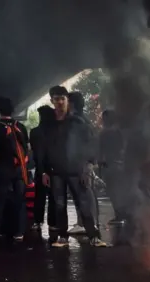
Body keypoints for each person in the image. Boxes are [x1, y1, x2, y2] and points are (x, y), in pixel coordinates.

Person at [41, 86, 106, 248]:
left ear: (67, 101)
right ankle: (62, 237)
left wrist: (89, 166)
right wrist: (43, 170)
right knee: (59, 205)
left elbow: (91, 144)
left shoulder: (78, 122)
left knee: (85, 203)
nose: (60, 102)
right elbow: (44, 148)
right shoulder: (49, 125)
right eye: (56, 99)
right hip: (55, 172)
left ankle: (94, 236)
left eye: (63, 98)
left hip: (77, 170)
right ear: (52, 101)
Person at [0, 96, 29, 243]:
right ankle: (19, 232)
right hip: (20, 170)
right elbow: (27, 148)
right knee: (20, 200)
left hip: (4, 168)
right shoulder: (20, 126)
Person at [68, 91, 100, 234]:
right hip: (84, 162)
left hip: (81, 163)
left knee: (84, 192)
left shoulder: (77, 121)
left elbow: (85, 144)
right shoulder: (84, 119)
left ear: (72, 103)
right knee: (86, 192)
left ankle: (87, 224)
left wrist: (87, 164)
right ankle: (88, 223)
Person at [30, 106, 57, 231]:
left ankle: (37, 221)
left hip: (41, 169)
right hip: (55, 169)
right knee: (54, 197)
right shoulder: (57, 130)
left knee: (39, 196)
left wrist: (41, 172)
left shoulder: (35, 132)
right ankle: (53, 223)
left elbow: (37, 154)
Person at [99, 110, 128, 224]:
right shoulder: (120, 132)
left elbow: (100, 151)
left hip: (110, 166)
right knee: (121, 191)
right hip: (120, 165)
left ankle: (120, 215)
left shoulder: (104, 133)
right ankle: (124, 215)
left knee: (113, 192)